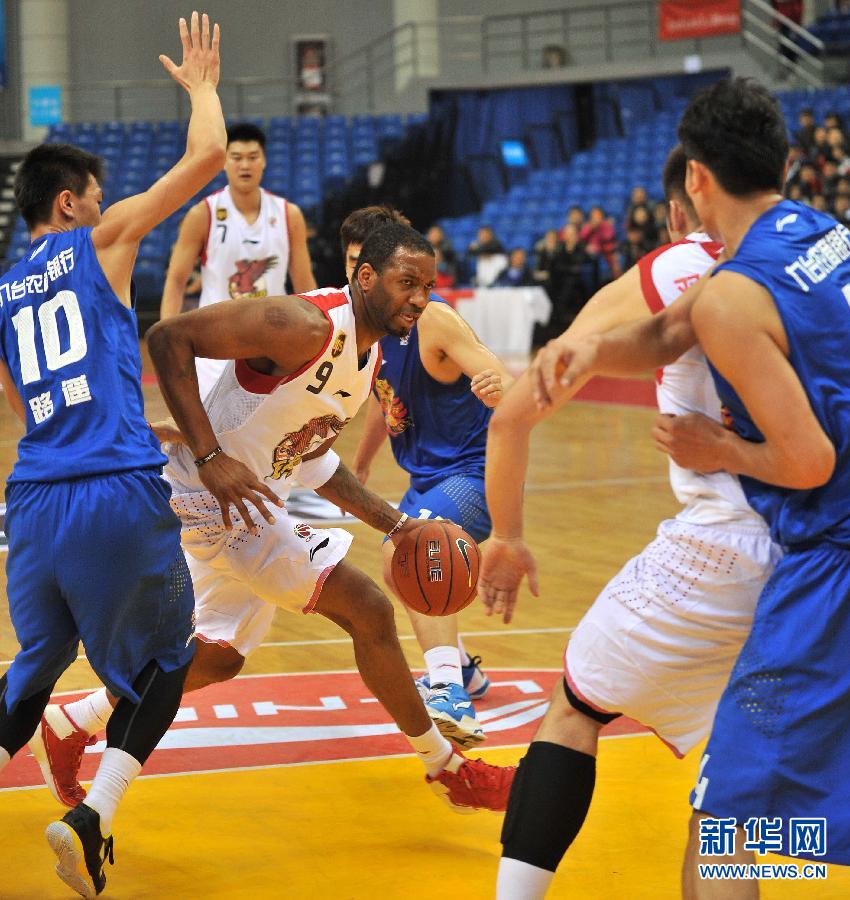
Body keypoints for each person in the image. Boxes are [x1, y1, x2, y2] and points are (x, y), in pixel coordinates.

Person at [29, 222, 515, 818]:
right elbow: (167, 338)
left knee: (217, 657)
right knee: (370, 610)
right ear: (366, 278)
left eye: (428, 285)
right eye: (406, 282)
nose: (420, 296)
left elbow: (306, 453)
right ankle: (447, 768)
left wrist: (393, 523)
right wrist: (209, 458)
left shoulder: (366, 360)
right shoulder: (306, 325)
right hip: (211, 497)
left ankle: (72, 721)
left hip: (249, 502)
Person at [527, 77, 850, 891]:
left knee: (733, 815)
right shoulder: (822, 232)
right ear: (783, 161)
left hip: (834, 557)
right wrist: (593, 350)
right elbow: (677, 327)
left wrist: (720, 448)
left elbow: (808, 460)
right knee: (802, 808)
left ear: (697, 179)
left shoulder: (736, 298)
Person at [478, 143, 781, 898]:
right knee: (730, 802)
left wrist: (507, 537)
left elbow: (514, 416)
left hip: (726, 548)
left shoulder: (675, 270)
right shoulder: (823, 254)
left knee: (577, 703)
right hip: (820, 559)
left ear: (683, 205)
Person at [0, 13, 224, 897]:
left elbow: (30, 397)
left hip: (34, 501)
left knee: (36, 668)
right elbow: (205, 158)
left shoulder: (6, 289)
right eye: (94, 194)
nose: (104, 203)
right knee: (168, 666)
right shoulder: (98, 242)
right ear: (70, 204)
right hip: (112, 498)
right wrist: (203, 88)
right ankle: (91, 818)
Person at [344, 206, 513, 748]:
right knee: (400, 570)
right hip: (426, 475)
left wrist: (498, 384)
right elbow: (380, 401)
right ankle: (464, 669)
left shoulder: (433, 320)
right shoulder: (367, 327)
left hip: (476, 472)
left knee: (414, 549)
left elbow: (497, 372)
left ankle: (449, 694)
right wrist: (364, 461)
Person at [160, 121, 317, 398]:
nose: (245, 165)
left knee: (279, 437)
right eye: (236, 157)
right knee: (211, 434)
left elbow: (304, 282)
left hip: (275, 342)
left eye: (253, 157)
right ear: (224, 162)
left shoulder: (288, 214)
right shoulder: (202, 214)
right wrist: (168, 344)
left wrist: (319, 339)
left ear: (264, 161)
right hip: (216, 344)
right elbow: (175, 281)